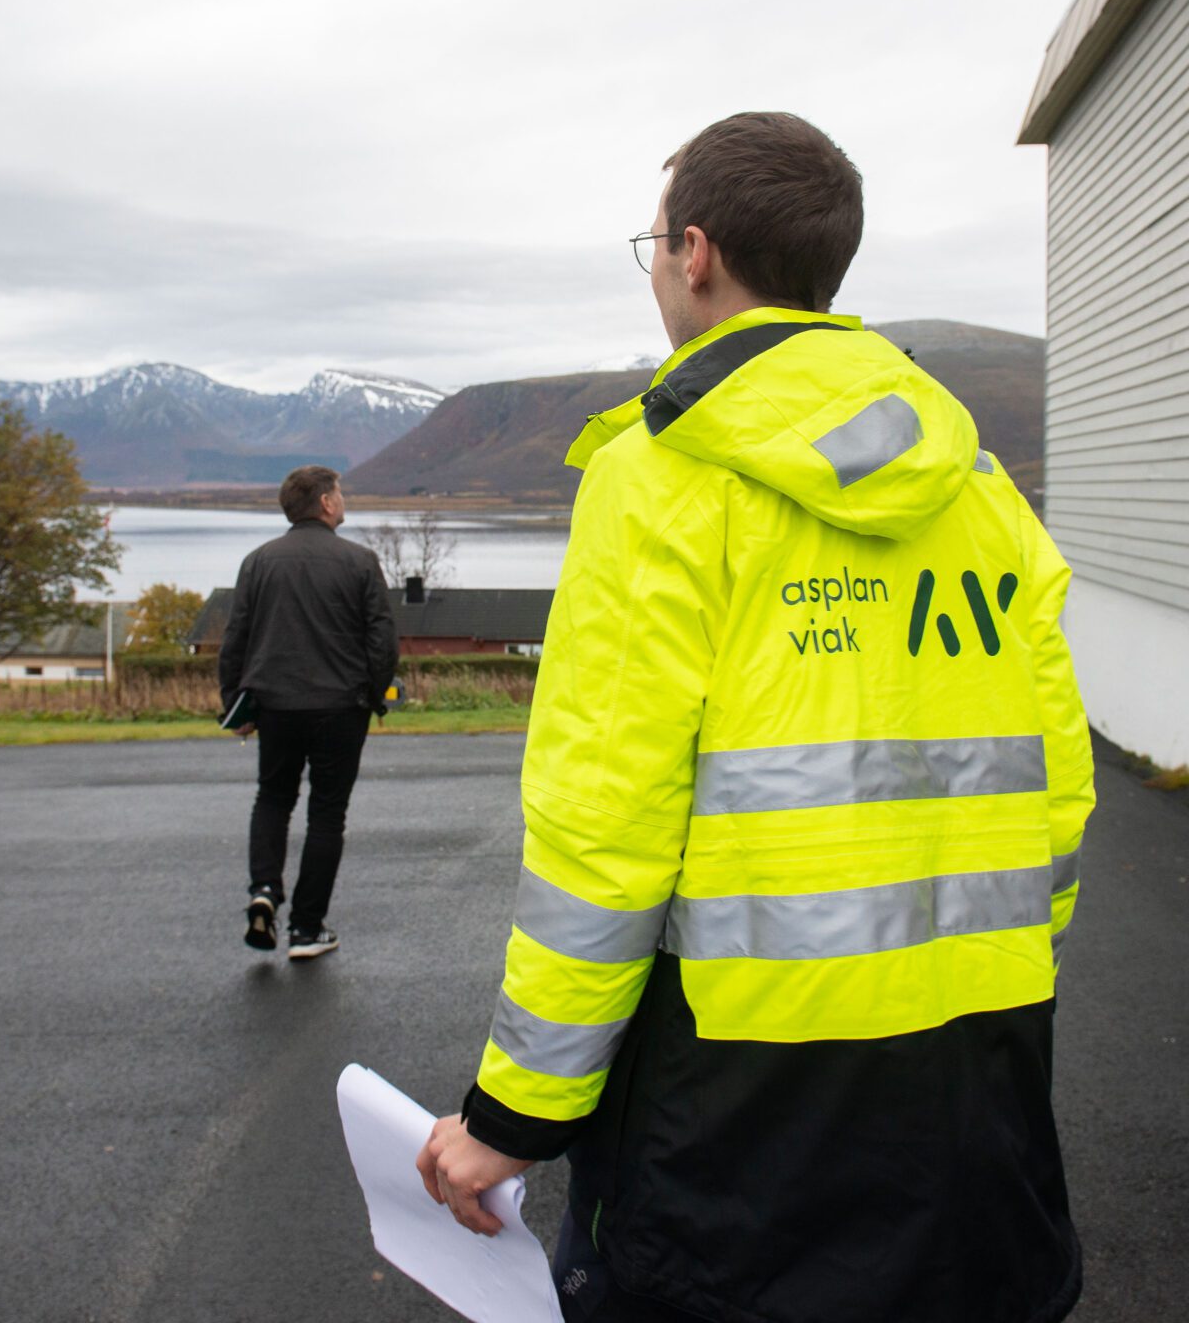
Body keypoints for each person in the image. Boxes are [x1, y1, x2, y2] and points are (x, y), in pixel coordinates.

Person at [417, 112, 1095, 1323]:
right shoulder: (983, 491)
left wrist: (516, 1112)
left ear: (694, 252)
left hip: (736, 1111)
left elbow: (603, 829)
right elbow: (1057, 790)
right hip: (980, 1085)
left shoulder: (659, 480)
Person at [219, 465, 397, 961]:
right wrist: (374, 694)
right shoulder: (360, 562)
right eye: (339, 493)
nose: (343, 500)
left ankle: (264, 891)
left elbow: (235, 639)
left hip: (275, 705)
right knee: (327, 814)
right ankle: (306, 928)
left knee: (273, 799)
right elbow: (382, 640)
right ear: (324, 502)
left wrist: (234, 702)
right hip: (341, 707)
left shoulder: (258, 562)